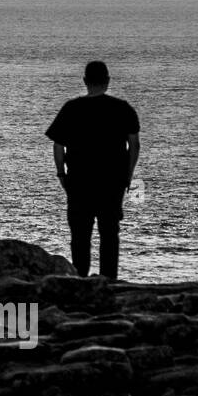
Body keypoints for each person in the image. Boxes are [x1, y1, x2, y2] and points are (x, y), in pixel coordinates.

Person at [45, 61, 141, 280]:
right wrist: (128, 175)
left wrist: (61, 174)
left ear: (85, 81)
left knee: (80, 234)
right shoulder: (122, 108)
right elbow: (134, 145)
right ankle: (109, 280)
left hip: (79, 180)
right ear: (107, 81)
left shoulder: (71, 108)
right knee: (109, 233)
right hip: (112, 180)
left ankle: (80, 280)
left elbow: (58, 146)